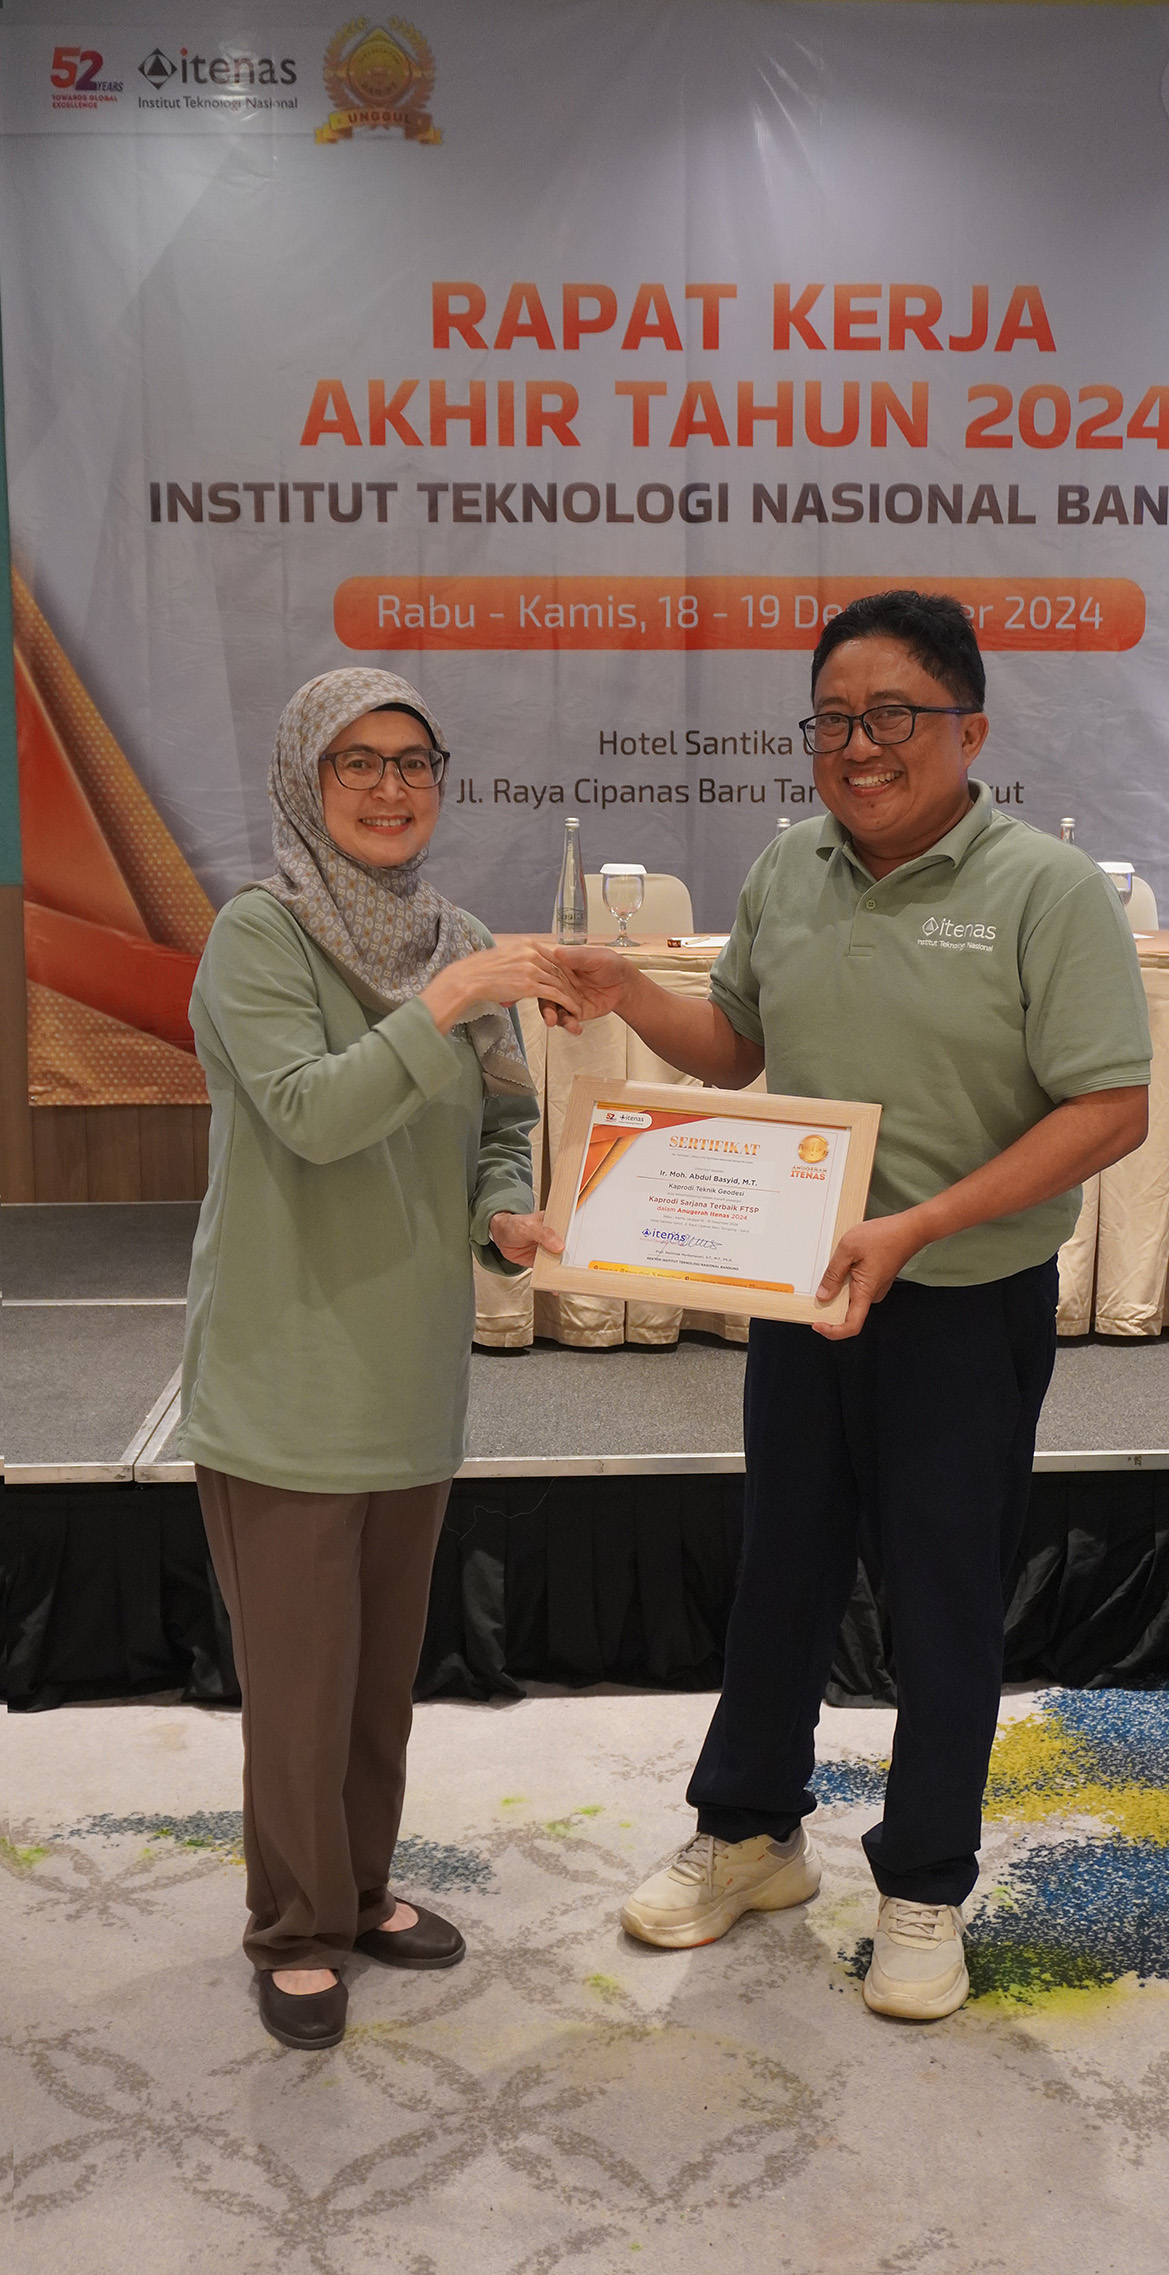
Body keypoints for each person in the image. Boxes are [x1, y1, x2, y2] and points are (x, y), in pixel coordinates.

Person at [549, 590, 1151, 2021]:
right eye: (833, 720)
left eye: (893, 716)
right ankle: (752, 1833)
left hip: (960, 1300)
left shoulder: (1045, 890)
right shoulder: (788, 867)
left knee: (943, 1598)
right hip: (801, 1291)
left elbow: (1111, 1109)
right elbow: (734, 1047)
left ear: (969, 731)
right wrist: (629, 989)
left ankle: (926, 1884)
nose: (859, 745)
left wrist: (921, 1224)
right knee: (782, 1567)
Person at [179, 666, 577, 2050]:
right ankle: (295, 1928)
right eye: (357, 762)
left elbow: (502, 1122)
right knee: (299, 1692)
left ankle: (356, 1889)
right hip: (285, 1372)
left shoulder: (453, 936)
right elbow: (311, 1115)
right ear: (307, 780)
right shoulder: (258, 935)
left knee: (375, 1683)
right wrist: (444, 999)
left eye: (414, 762)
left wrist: (504, 1213)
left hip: (411, 1373)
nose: (392, 788)